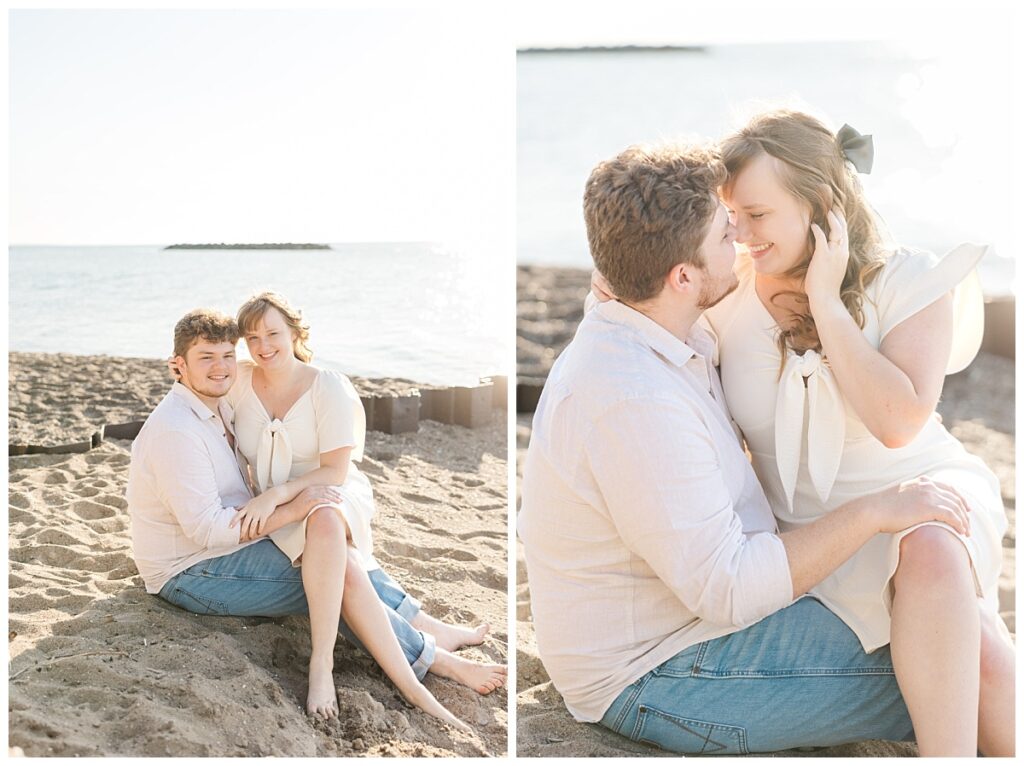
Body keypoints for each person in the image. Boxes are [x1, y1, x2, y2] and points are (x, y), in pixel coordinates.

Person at [519, 141, 979, 756]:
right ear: (682, 276)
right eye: (721, 232)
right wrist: (876, 509)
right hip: (659, 670)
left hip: (685, 625)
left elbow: (626, 260)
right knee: (966, 669)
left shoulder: (647, 317)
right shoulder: (635, 397)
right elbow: (729, 587)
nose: (737, 239)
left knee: (948, 630)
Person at [704, 109, 1012, 756]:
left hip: (920, 491)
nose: (740, 233)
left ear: (819, 205)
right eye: (731, 215)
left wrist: (824, 301)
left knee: (930, 545)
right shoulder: (724, 294)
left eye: (757, 215)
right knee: (980, 653)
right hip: (813, 532)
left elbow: (899, 424)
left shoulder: (910, 280)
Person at [128, 308, 472, 732]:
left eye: (226, 355)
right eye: (206, 358)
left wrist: (296, 508)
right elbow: (208, 530)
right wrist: (297, 507)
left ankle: (421, 625)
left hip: (227, 546)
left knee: (329, 548)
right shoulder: (177, 431)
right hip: (189, 572)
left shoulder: (215, 403)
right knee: (335, 574)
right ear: (177, 366)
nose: (220, 368)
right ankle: (432, 658)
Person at [225, 292, 506, 718]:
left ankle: (323, 662)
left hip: (328, 491)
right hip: (281, 506)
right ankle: (428, 635)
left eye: (272, 333)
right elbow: (202, 383)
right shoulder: (241, 381)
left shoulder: (327, 386)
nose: (263, 345)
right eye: (252, 337)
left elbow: (335, 472)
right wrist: (180, 373)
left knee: (323, 519)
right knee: (347, 570)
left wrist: (277, 494)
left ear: (295, 333)